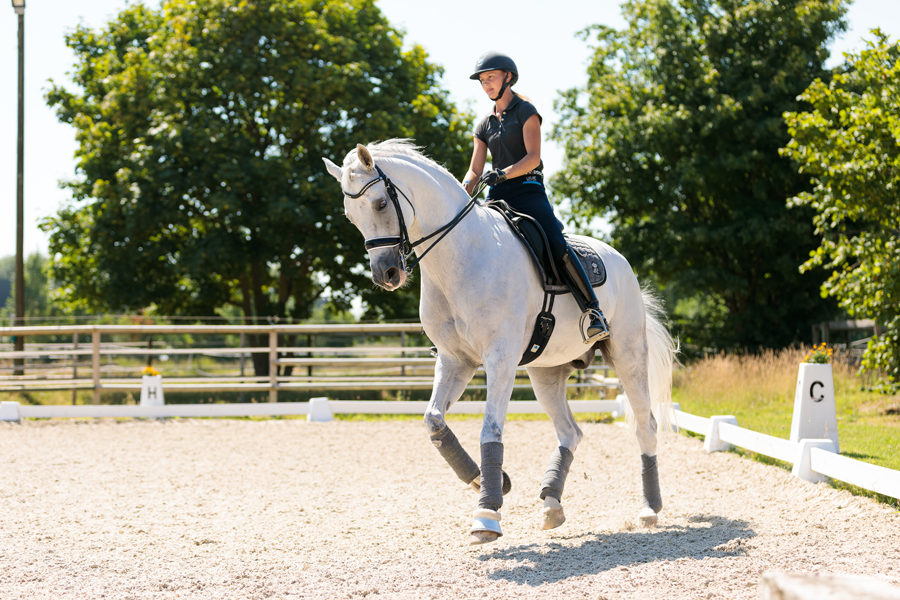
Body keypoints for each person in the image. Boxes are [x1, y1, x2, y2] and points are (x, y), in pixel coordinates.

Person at [462, 51, 610, 342]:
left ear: (508, 77)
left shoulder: (526, 111)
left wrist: (503, 173)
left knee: (555, 239)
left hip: (528, 191)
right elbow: (474, 171)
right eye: (482, 80)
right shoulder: (483, 125)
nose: (486, 84)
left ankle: (593, 311)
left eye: (490, 77)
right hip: (496, 197)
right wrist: (459, 195)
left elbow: (533, 158)